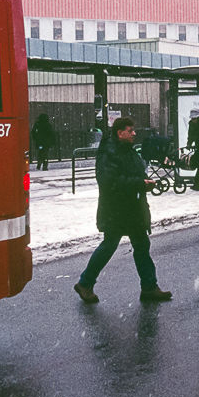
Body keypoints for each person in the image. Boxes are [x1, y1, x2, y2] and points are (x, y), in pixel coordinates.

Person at [74, 117, 172, 304]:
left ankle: (149, 287)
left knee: (141, 246)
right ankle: (85, 283)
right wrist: (139, 183)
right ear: (120, 133)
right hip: (117, 209)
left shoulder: (127, 150)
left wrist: (145, 182)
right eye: (130, 130)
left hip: (131, 209)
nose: (134, 133)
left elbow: (135, 173)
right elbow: (109, 181)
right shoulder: (109, 152)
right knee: (110, 245)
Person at [186, 108, 199, 190]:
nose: (193, 120)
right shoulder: (192, 124)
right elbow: (190, 135)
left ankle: (198, 182)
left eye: (194, 118)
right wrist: (189, 144)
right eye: (192, 118)